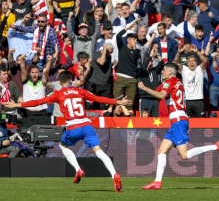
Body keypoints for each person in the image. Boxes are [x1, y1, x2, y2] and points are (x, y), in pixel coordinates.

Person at [3, 71, 133, 192]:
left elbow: (38, 102)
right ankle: (114, 174)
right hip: (87, 126)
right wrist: (118, 101)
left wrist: (17, 105)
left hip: (73, 127)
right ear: (71, 80)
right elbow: (99, 99)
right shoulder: (80, 91)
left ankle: (78, 169)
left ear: (60, 82)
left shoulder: (58, 94)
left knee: (62, 145)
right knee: (99, 152)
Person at [137, 63, 219, 189]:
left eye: (164, 70)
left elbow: (161, 95)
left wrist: (144, 88)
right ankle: (157, 182)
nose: (162, 72)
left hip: (178, 121)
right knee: (161, 151)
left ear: (170, 72)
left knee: (185, 155)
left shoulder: (169, 81)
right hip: (177, 120)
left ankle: (216, 146)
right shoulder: (178, 82)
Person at [174, 44, 208, 118]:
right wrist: (178, 53)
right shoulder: (184, 70)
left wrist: (197, 52)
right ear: (187, 63)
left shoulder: (200, 69)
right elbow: (175, 63)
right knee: (185, 121)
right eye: (190, 61)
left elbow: (205, 61)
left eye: (194, 61)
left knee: (200, 122)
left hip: (199, 100)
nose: (192, 62)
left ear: (197, 63)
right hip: (187, 100)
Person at [115, 31, 140, 110]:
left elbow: (136, 57)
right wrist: (126, 28)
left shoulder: (137, 51)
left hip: (132, 80)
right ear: (128, 40)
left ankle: (129, 120)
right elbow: (118, 36)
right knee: (117, 102)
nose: (135, 41)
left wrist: (135, 46)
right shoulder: (122, 47)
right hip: (120, 78)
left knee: (130, 103)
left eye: (136, 40)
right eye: (134, 39)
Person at [86, 43, 115, 110]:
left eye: (111, 52)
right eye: (109, 52)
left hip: (105, 86)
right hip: (94, 84)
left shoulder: (109, 57)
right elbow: (101, 62)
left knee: (104, 107)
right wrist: (104, 49)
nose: (110, 54)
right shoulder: (97, 54)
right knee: (90, 105)